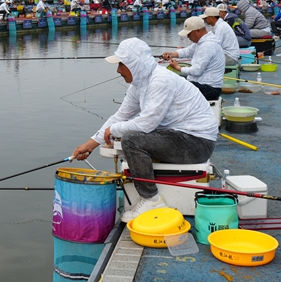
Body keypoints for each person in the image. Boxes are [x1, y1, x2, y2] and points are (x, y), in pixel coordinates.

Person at [71, 38, 217, 223]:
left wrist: (114, 130)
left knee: (131, 139)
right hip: (181, 138)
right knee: (126, 135)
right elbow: (121, 116)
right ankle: (146, 194)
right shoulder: (139, 84)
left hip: (197, 143)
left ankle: (152, 199)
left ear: (134, 64)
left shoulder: (160, 80)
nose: (118, 70)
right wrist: (90, 144)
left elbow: (147, 123)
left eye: (121, 65)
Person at [161, 17, 226, 100]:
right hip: (201, 83)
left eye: (189, 33)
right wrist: (172, 54)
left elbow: (196, 71)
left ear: (198, 31)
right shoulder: (201, 42)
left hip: (210, 89)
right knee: (170, 80)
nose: (188, 36)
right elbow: (187, 51)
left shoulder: (207, 46)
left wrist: (177, 68)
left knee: (171, 87)